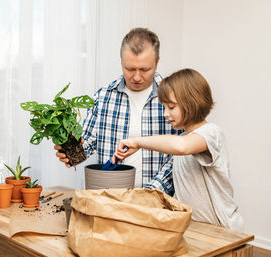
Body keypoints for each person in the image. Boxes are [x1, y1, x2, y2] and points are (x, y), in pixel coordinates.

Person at [54, 28, 182, 195]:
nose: (136, 77)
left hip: (157, 202)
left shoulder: (175, 98)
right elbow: (87, 143)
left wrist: (150, 193)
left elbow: (181, 156)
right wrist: (70, 153)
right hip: (109, 199)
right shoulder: (103, 96)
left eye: (144, 70)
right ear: (121, 61)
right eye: (130, 69)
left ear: (157, 62)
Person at [112, 68, 244, 231]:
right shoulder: (184, 138)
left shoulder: (211, 133)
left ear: (191, 103)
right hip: (194, 227)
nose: (165, 114)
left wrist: (138, 142)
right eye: (164, 107)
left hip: (223, 229)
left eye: (171, 107)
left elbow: (182, 147)